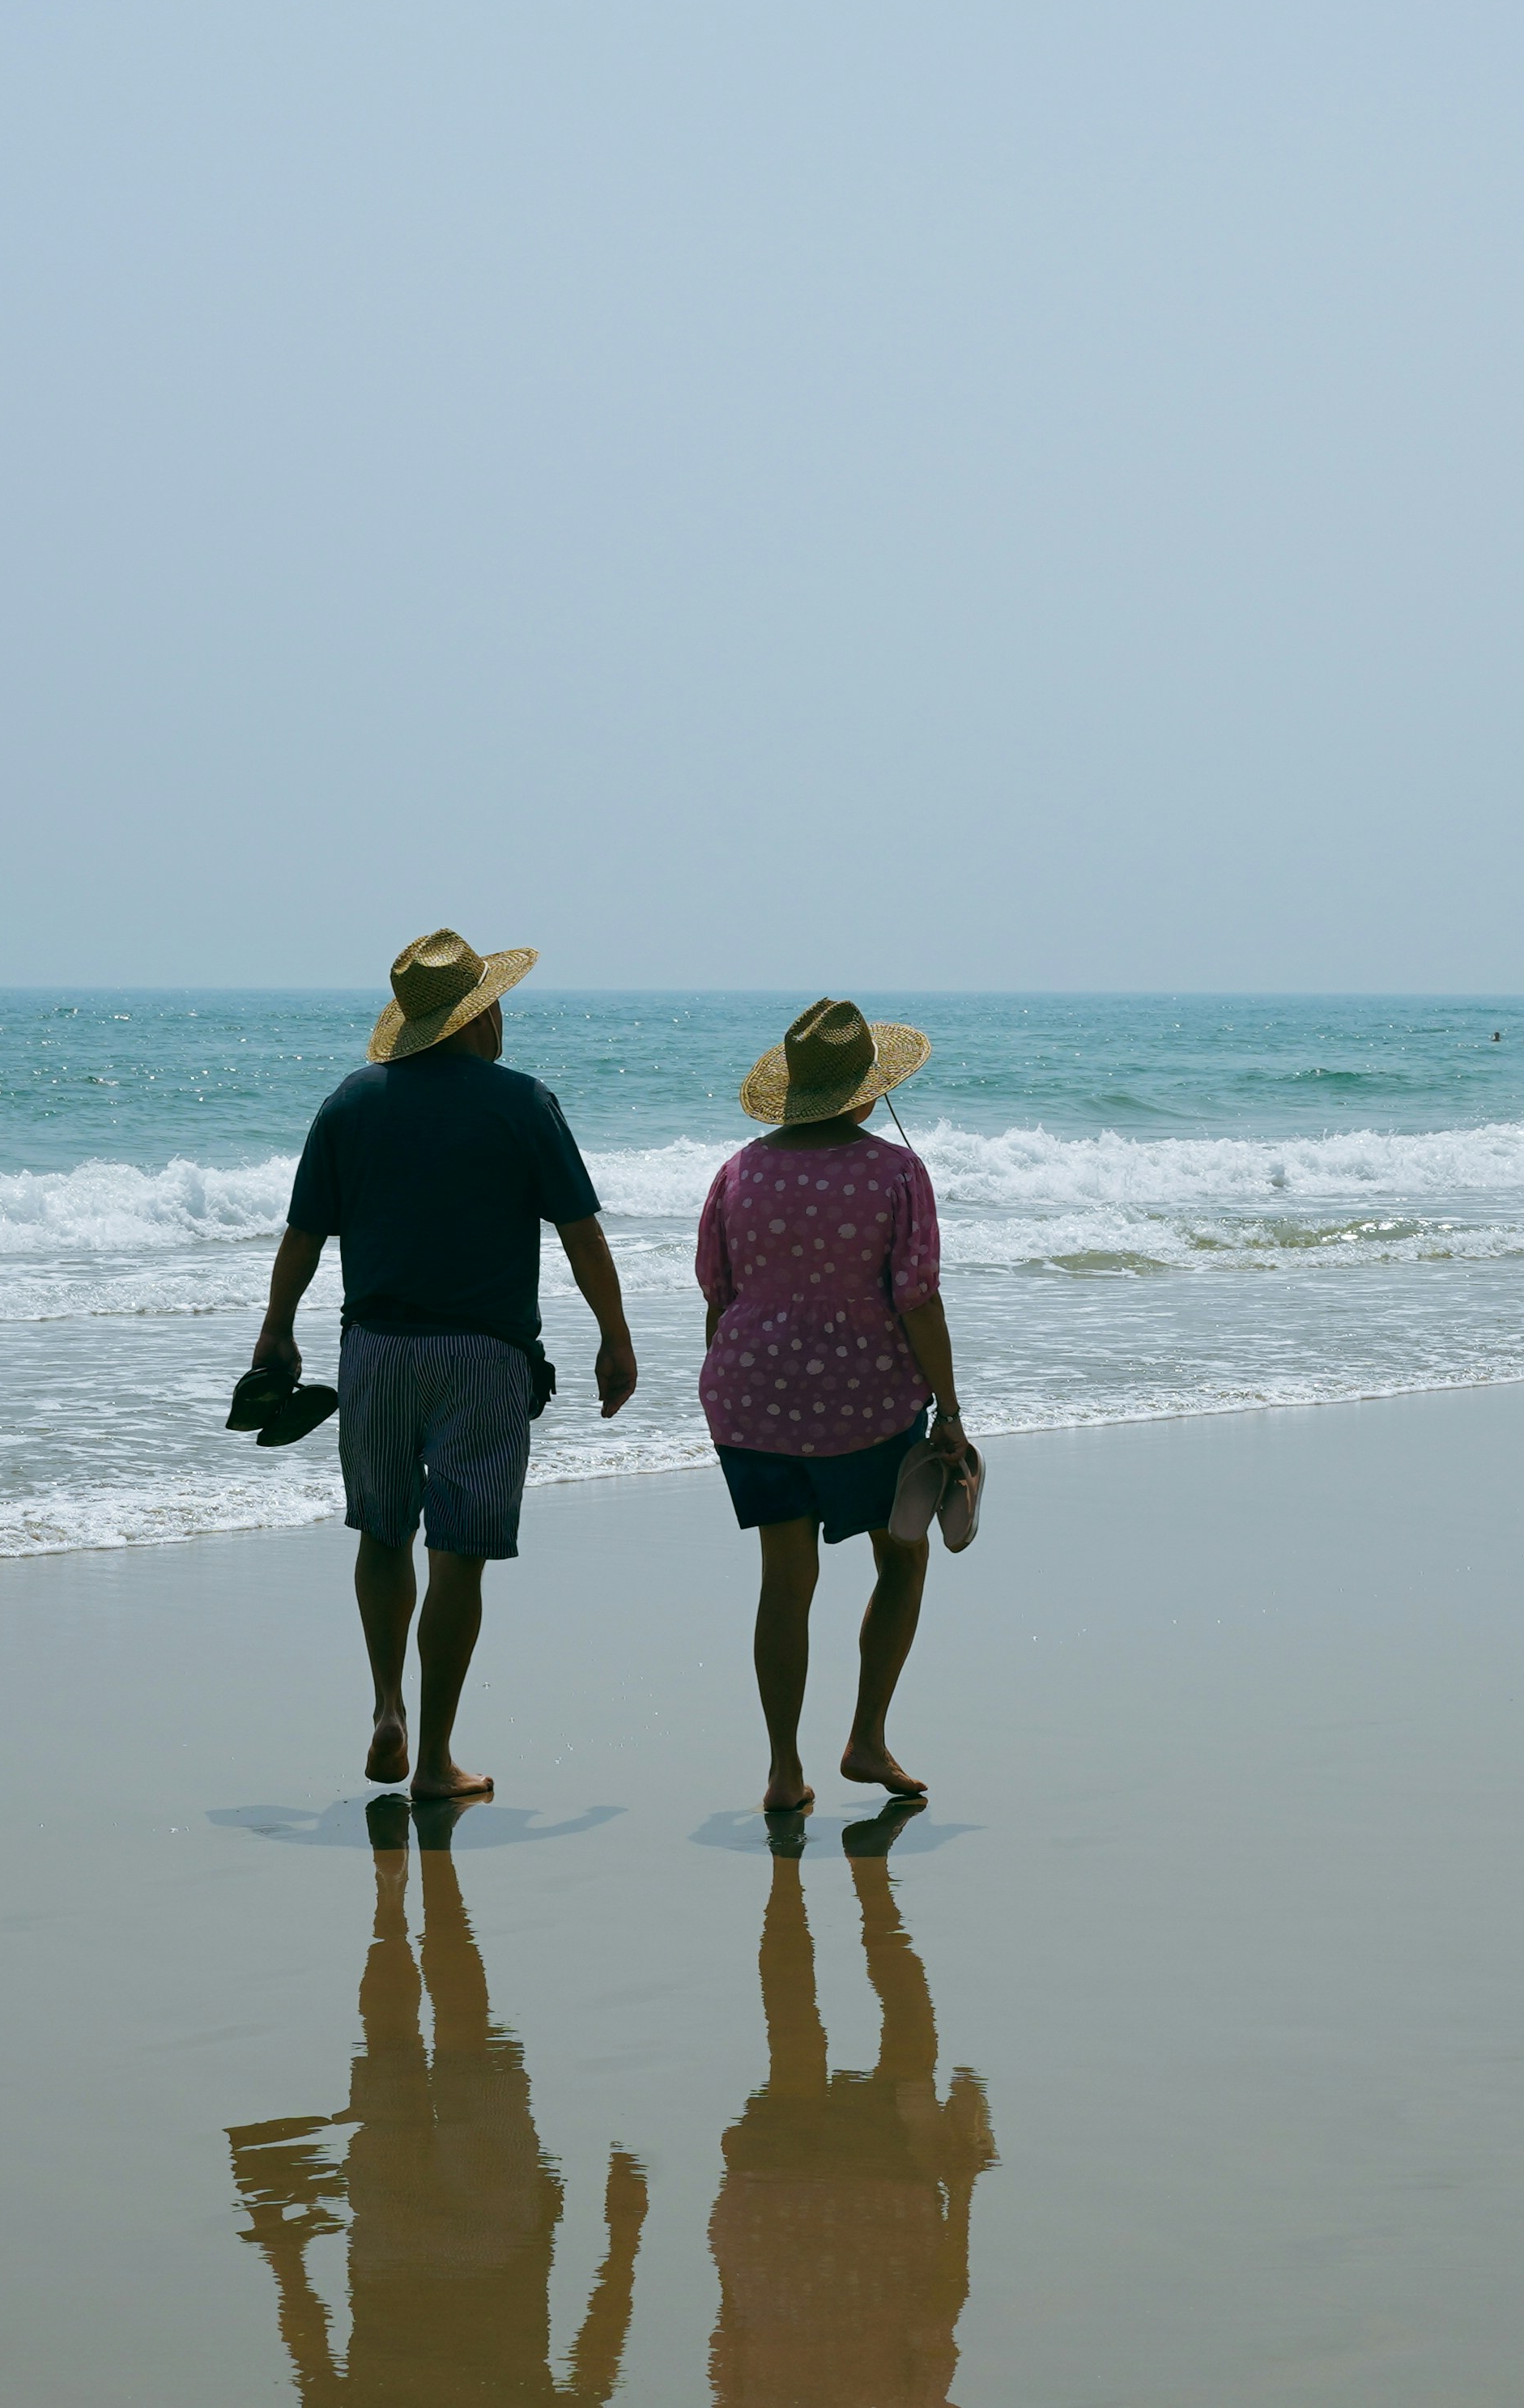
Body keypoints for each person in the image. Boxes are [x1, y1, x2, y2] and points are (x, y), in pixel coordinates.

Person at [256, 931, 640, 1799]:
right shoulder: (522, 1103)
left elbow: (304, 1235)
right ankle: (434, 1757)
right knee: (458, 1552)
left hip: (377, 1349)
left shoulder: (350, 1103)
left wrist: (275, 1330)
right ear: (482, 1011)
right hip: (485, 1353)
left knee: (381, 1531)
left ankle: (386, 1705)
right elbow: (580, 1233)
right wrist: (614, 1336)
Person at [227, 1796, 648, 2405]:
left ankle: (411, 1898)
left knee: (467, 2036)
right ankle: (390, 1911)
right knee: (389, 2047)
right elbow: (311, 2359)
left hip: (495, 2241)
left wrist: (625, 2235)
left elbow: (596, 2363)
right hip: (390, 2253)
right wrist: (283, 2249)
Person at [696, 998, 965, 1813]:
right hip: (869, 1405)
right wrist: (949, 1406)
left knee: (786, 1579)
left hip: (751, 1400)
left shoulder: (740, 1168)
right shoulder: (894, 1172)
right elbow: (917, 1297)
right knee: (903, 1557)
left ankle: (783, 1770)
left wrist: (741, 1372)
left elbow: (718, 1292)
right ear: (867, 1089)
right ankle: (868, 1737)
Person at [707, 1809, 993, 2408]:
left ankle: (871, 1887)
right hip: (767, 2215)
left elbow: (938, 2313)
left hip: (879, 2200)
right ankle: (794, 1883)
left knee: (910, 2048)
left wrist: (962, 2184)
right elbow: (726, 2342)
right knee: (792, 2043)